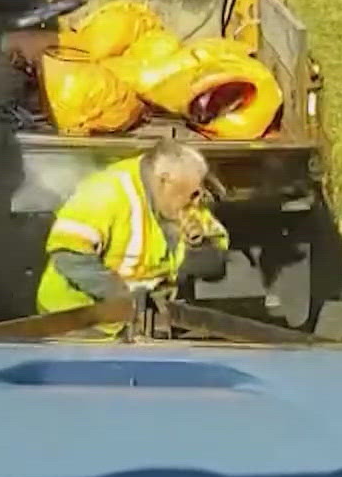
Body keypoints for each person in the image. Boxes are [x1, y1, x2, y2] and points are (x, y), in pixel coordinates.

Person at [36, 139, 230, 334]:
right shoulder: (106, 191)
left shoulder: (188, 202)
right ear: (164, 180)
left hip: (144, 327)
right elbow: (68, 254)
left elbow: (215, 266)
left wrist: (198, 247)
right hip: (78, 322)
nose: (197, 200)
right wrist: (122, 299)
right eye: (193, 193)